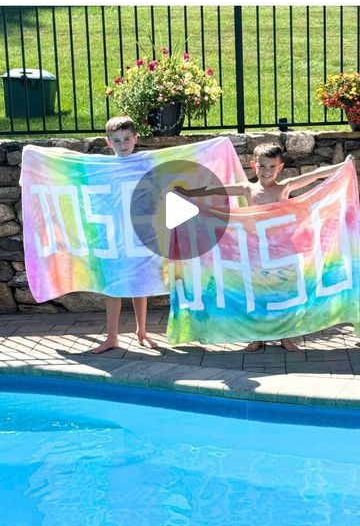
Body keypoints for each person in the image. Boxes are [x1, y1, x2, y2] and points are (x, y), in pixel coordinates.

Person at [176, 142, 352, 353]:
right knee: (256, 294)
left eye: (271, 167)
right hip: (255, 253)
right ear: (253, 166)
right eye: (262, 166)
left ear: (280, 167)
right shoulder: (247, 189)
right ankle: (258, 336)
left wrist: (342, 166)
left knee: (284, 295)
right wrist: (189, 193)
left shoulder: (284, 187)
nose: (267, 172)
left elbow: (315, 175)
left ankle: (285, 336)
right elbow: (216, 189)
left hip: (283, 253)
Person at [92, 115, 156, 354]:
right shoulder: (103, 167)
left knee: (139, 284)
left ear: (135, 139)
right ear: (108, 142)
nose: (122, 144)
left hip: (138, 233)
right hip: (112, 235)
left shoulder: (144, 163)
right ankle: (111, 337)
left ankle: (142, 333)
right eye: (116, 140)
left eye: (127, 139)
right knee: (113, 286)